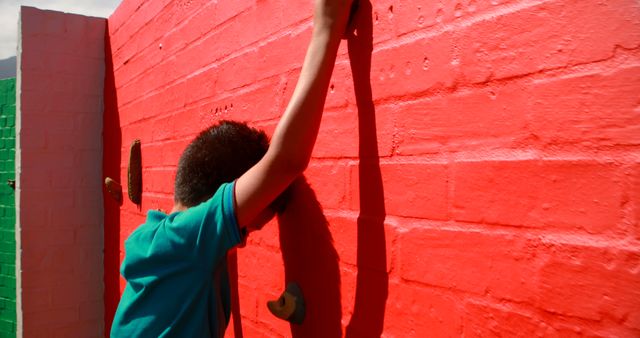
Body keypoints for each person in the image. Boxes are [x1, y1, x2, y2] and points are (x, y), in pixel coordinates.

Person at [110, 0, 354, 336]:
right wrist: (326, 26)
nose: (241, 242)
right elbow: (286, 163)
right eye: (246, 228)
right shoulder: (187, 239)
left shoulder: (154, 241)